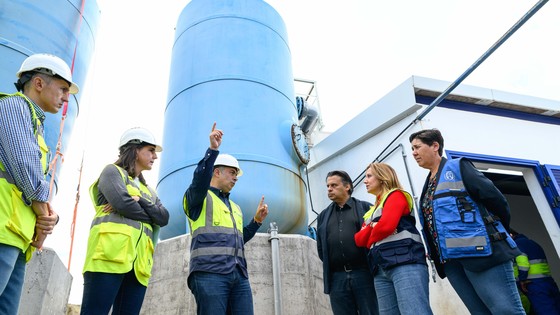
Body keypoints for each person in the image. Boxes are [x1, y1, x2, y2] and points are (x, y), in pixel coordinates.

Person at [409, 128, 525, 314]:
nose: (413, 153)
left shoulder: (459, 168)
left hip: (482, 254)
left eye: (417, 147)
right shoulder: (428, 183)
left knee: (506, 310)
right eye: (412, 149)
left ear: (435, 146)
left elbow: (496, 200)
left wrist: (496, 230)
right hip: (452, 262)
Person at [0, 53, 77, 314]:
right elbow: (26, 171)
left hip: (17, 237)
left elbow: (34, 183)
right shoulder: (13, 108)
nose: (67, 98)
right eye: (63, 89)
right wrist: (45, 214)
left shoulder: (35, 124)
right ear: (39, 83)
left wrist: (48, 219)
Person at [80, 127, 169, 315]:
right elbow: (123, 204)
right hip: (108, 257)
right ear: (136, 150)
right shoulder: (112, 173)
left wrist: (141, 201)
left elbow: (164, 218)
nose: (155, 156)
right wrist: (150, 215)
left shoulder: (148, 191)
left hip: (139, 266)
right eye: (151, 150)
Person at [183, 122, 269, 315]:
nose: (236, 178)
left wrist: (256, 222)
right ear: (216, 171)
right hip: (209, 273)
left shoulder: (235, 208)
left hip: (238, 275)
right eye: (232, 172)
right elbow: (199, 180)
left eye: (236, 174)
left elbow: (238, 240)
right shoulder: (199, 198)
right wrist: (212, 151)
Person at [354, 162, 432, 315]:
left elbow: (386, 227)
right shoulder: (372, 210)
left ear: (383, 178)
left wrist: (372, 233)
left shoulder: (396, 195)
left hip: (405, 262)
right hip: (380, 267)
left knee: (414, 311)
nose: (365, 181)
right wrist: (373, 227)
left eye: (369, 176)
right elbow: (358, 240)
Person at [316, 170, 379, 315]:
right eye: (327, 186)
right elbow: (321, 248)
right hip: (337, 279)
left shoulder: (366, 208)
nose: (329, 189)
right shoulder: (323, 216)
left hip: (364, 274)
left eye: (334, 185)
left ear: (347, 187)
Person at [511, 230, 560, 315]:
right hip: (547, 281)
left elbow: (523, 264)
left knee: (545, 311)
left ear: (510, 235)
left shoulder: (517, 244)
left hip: (532, 284)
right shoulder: (533, 243)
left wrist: (522, 279)